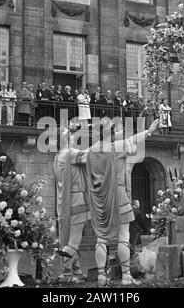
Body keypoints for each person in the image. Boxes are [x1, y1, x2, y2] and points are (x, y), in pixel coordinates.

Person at [86, 118, 160, 286]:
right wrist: (149, 130)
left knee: (101, 238)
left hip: (100, 198)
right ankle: (126, 276)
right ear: (112, 133)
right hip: (118, 195)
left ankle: (101, 277)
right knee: (123, 237)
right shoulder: (117, 147)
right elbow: (134, 140)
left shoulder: (90, 151)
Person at [54, 126, 91, 283]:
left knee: (68, 237)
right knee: (74, 240)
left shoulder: (58, 157)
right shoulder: (70, 154)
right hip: (76, 200)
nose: (72, 137)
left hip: (65, 202)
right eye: (69, 135)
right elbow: (92, 156)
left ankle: (76, 270)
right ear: (64, 139)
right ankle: (66, 273)